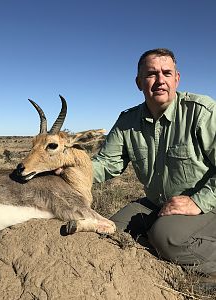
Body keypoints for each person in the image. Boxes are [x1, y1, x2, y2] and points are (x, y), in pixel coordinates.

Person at [92, 48, 216, 283]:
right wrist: (68, 168)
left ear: (176, 79)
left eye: (166, 73)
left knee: (166, 235)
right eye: (151, 74)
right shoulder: (127, 121)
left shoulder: (202, 112)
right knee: (109, 230)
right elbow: (107, 164)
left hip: (208, 203)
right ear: (139, 82)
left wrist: (198, 202)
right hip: (158, 202)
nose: (160, 80)